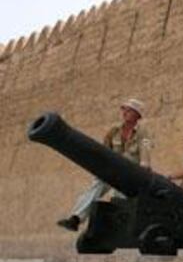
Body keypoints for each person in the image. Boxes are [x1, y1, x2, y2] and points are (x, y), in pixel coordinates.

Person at [57, 98, 152, 231]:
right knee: (97, 184)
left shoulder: (143, 132)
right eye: (124, 109)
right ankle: (76, 219)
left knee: (121, 198)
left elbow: (145, 152)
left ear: (137, 114)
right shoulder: (114, 131)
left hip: (130, 173)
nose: (124, 112)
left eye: (128, 110)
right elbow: (105, 150)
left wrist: (144, 168)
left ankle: (121, 229)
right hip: (113, 169)